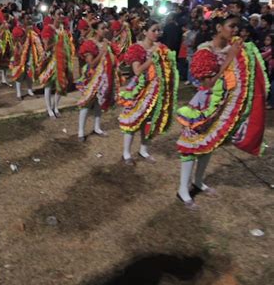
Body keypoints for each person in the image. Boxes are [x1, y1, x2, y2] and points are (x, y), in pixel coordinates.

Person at [176, 14, 268, 210]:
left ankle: (198, 181)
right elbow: (207, 83)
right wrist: (229, 59)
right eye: (231, 26)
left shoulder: (234, 49)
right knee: (191, 145)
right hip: (203, 105)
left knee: (210, 144)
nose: (235, 31)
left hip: (221, 106)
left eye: (237, 28)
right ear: (219, 27)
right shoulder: (205, 51)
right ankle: (183, 189)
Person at [118, 20, 179, 165]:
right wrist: (152, 59)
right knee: (133, 119)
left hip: (156, 89)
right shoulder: (137, 48)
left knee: (150, 120)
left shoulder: (161, 47)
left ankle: (143, 150)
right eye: (154, 30)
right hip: (140, 89)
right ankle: (126, 153)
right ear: (145, 32)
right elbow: (137, 71)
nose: (157, 33)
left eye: (159, 30)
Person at [77, 21, 119, 141]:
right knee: (87, 103)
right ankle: (81, 131)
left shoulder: (106, 43)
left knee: (99, 103)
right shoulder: (89, 44)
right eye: (103, 28)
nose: (106, 30)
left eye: (106, 28)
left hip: (104, 78)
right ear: (96, 30)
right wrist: (102, 52)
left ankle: (97, 127)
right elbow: (91, 64)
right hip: (92, 79)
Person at [39, 9, 75, 119]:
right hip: (52, 60)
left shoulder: (63, 29)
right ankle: (49, 109)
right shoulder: (48, 28)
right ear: (53, 16)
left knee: (61, 84)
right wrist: (57, 43)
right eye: (58, 14)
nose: (61, 16)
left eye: (62, 14)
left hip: (62, 59)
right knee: (49, 84)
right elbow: (46, 47)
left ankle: (55, 107)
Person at [10, 16, 42, 100]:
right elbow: (17, 42)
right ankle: (18, 93)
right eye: (27, 19)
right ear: (23, 21)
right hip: (20, 55)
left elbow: (37, 39)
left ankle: (29, 90)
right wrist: (26, 33)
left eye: (30, 19)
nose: (29, 21)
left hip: (30, 54)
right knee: (19, 73)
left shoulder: (33, 29)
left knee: (30, 72)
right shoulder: (17, 29)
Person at [0, 10, 13, 87]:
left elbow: (8, 36)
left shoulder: (5, 25)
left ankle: (3, 80)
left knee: (5, 64)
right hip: (0, 47)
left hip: (6, 47)